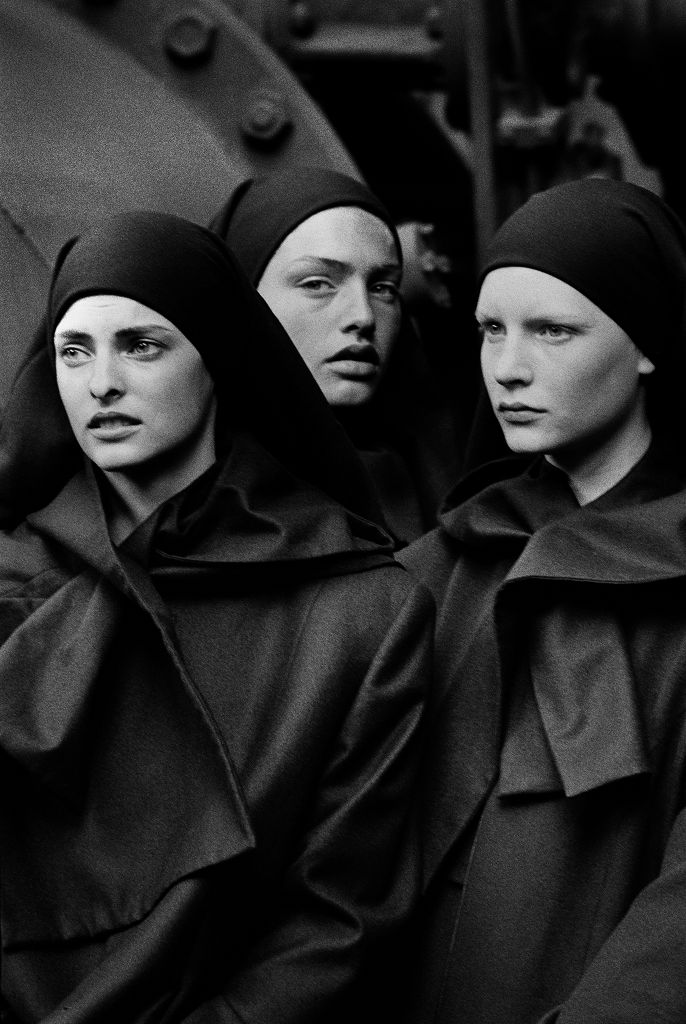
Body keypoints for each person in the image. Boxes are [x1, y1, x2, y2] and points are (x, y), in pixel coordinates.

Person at [0, 210, 433, 1023]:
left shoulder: (363, 612)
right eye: (74, 350)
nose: (101, 383)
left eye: (142, 346)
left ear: (219, 358)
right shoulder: (10, 579)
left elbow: (340, 919)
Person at [399, 177, 686, 1024]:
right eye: (491, 330)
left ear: (646, 344)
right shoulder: (438, 567)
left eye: (552, 330)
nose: (508, 369)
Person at [210, 166, 461, 546]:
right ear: (242, 299)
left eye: (383, 288)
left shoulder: (442, 494)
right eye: (317, 284)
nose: (363, 316)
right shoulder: (190, 503)